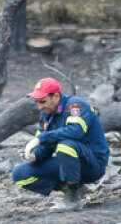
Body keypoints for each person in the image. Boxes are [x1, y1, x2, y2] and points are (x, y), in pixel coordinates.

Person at [12, 77, 109, 210]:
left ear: (56, 96)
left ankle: (72, 200)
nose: (39, 107)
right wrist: (35, 157)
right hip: (68, 164)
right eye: (37, 102)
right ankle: (73, 189)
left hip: (92, 165)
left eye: (43, 101)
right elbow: (47, 147)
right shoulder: (46, 115)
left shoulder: (75, 105)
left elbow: (75, 132)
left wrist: (40, 138)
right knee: (20, 174)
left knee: (65, 145)